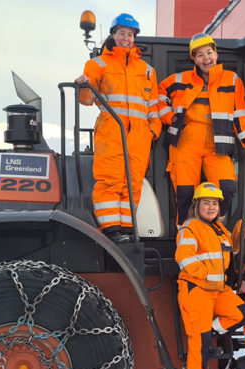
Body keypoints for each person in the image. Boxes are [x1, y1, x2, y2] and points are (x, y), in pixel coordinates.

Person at [159, 33, 245, 225]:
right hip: (185, 144)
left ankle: (213, 229)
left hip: (218, 145)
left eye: (209, 52)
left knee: (227, 188)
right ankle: (187, 232)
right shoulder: (179, 79)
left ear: (216, 54)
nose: (206, 58)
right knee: (185, 192)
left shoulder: (232, 80)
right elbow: (158, 94)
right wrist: (167, 116)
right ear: (194, 60)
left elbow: (240, 115)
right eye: (200, 55)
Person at [76, 13, 161, 242]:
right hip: (111, 130)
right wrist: (82, 86)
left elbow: (154, 105)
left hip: (140, 135)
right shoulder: (98, 64)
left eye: (130, 34)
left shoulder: (147, 70)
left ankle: (126, 228)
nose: (126, 38)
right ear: (113, 35)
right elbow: (85, 100)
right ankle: (111, 228)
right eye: (122, 33)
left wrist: (153, 130)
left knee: (132, 184)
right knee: (110, 179)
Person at [175, 182, 245, 369]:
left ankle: (211, 332)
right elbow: (184, 259)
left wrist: (241, 230)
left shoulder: (219, 229)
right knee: (198, 340)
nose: (211, 207)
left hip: (218, 291)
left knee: (243, 314)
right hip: (196, 290)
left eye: (215, 204)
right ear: (197, 205)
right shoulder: (190, 228)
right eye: (206, 203)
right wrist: (207, 275)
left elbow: (232, 249)